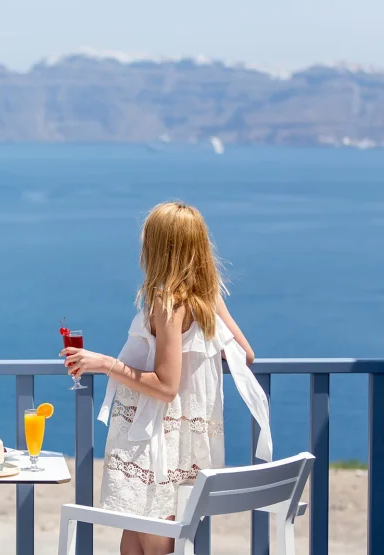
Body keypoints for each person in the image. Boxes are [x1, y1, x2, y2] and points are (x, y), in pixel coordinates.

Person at [61, 201, 271, 555]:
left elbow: (166, 386)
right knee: (135, 541)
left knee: (148, 542)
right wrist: (199, 347)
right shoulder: (207, 297)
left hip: (157, 444)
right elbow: (244, 354)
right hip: (185, 440)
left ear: (161, 247)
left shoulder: (168, 303)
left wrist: (103, 363)